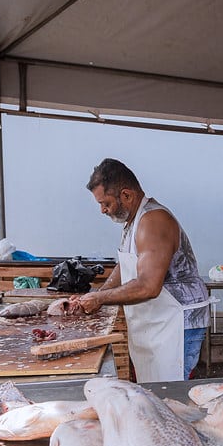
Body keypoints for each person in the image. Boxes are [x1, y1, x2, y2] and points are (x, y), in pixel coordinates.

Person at [70, 158, 213, 383]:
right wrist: (95, 295)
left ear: (126, 195)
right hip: (155, 321)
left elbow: (148, 285)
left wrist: (100, 299)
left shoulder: (153, 220)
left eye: (105, 203)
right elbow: (124, 267)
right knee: (153, 393)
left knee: (171, 395)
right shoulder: (132, 221)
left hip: (175, 323)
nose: (102, 210)